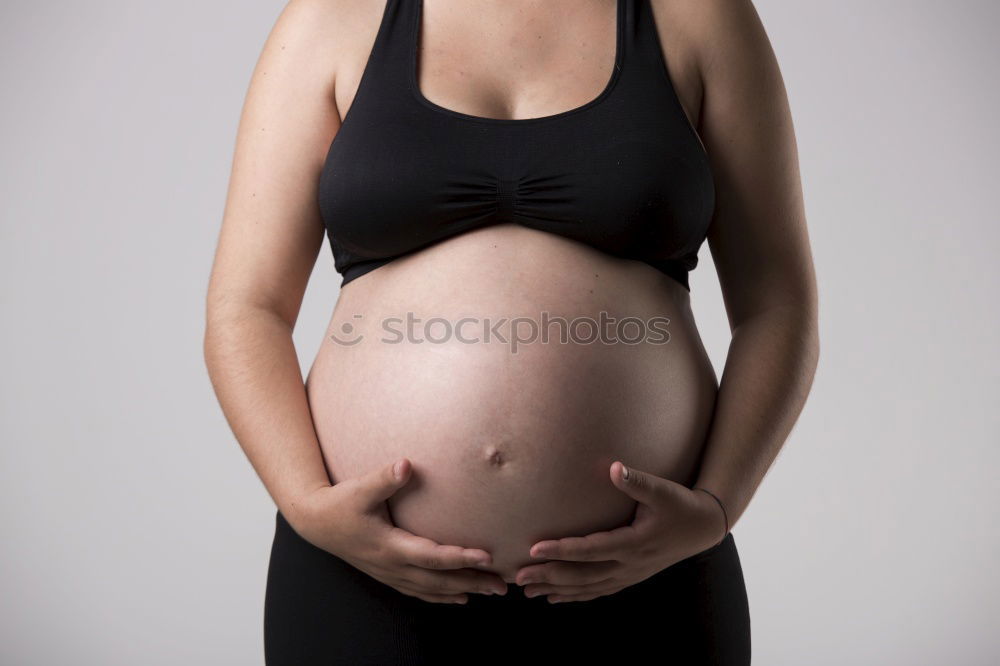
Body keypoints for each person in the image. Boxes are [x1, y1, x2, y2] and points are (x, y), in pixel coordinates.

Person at [203, 0, 819, 663]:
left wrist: (718, 506)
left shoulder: (696, 15)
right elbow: (248, 307)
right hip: (367, 575)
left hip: (645, 575)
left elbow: (777, 306)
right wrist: (304, 504)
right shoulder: (334, 16)